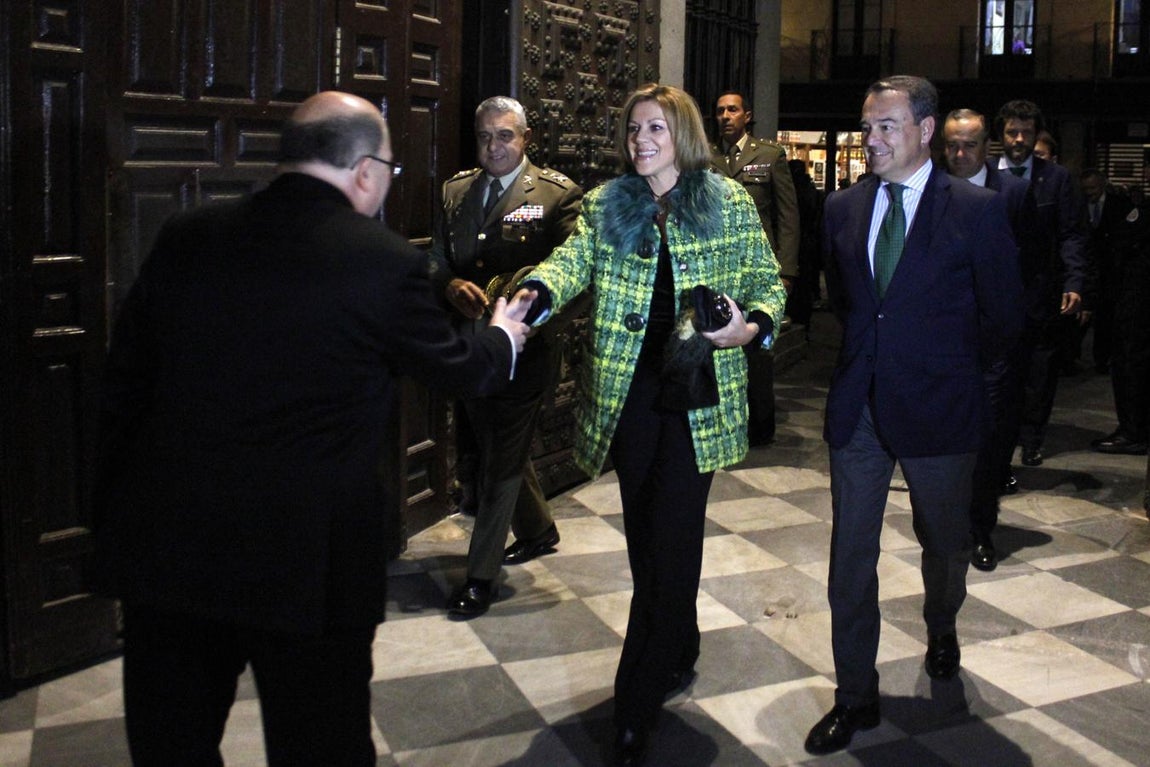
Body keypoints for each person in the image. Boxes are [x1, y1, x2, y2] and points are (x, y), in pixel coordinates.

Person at [93, 91, 534, 767]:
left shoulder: (188, 236)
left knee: (172, 747)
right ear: (364, 170)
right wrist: (503, 336)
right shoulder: (382, 260)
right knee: (319, 746)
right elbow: (461, 369)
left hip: (172, 551)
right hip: (310, 561)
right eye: (386, 170)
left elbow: (123, 388)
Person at [518, 83, 786, 766]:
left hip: (698, 389)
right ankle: (681, 637)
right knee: (651, 534)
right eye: (634, 129)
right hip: (630, 396)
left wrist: (747, 328)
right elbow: (572, 260)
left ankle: (634, 704)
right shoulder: (609, 203)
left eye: (656, 130)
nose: (640, 141)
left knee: (670, 538)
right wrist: (534, 292)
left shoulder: (724, 199)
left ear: (685, 136)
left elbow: (768, 281)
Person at [806, 76, 1022, 756]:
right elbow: (850, 302)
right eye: (867, 127)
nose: (871, 139)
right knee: (850, 555)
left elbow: (1006, 320)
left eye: (886, 127)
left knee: (945, 541)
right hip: (860, 409)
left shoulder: (978, 210)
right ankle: (855, 696)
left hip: (942, 411)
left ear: (925, 131)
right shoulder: (842, 207)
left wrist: (960, 381)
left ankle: (941, 621)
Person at [428, 95, 584, 618]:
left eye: (506, 136)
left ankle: (480, 576)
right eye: (485, 136)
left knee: (500, 458)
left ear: (526, 139)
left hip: (526, 351)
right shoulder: (456, 191)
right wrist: (448, 284)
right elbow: (435, 257)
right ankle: (539, 529)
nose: (494, 147)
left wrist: (530, 320)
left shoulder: (556, 196)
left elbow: (578, 279)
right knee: (498, 442)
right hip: (469, 346)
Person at [942, 107, 1032, 571]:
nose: (959, 154)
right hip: (944, 342)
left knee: (990, 439)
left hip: (995, 345)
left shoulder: (1013, 194)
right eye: (952, 145)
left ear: (986, 147)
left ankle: (980, 528)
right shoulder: (931, 190)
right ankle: (948, 523)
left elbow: (1033, 265)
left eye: (969, 145)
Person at [996, 99, 1089, 467]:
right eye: (1012, 132)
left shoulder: (1056, 179)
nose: (1019, 139)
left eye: (1026, 132)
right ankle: (1000, 434)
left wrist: (1076, 280)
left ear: (1037, 135)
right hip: (996, 294)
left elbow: (1072, 234)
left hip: (1039, 292)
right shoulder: (985, 175)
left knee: (1038, 371)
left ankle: (1032, 436)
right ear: (999, 135)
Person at [710, 90, 799, 445]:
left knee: (758, 347)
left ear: (746, 115)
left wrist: (787, 270)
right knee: (719, 343)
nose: (725, 116)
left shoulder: (768, 155)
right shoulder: (707, 157)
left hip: (758, 269)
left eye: (732, 110)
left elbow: (787, 216)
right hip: (719, 268)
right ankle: (725, 424)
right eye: (720, 111)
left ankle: (760, 426)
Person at [1090, 191, 1150, 456]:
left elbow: (1124, 245)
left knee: (1130, 363)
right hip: (1131, 296)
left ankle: (1133, 431)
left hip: (1138, 299)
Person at [1080, 168, 1134, 375]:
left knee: (1106, 318)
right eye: (1085, 189)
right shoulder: (1079, 204)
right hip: (1087, 266)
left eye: (1093, 188)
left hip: (1109, 269)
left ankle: (1102, 359)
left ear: (1102, 185)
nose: (1089, 193)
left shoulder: (1119, 205)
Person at [789, 157, 825, 323]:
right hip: (807, 238)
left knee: (801, 276)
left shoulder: (794, 188)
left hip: (801, 237)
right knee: (807, 275)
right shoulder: (810, 189)